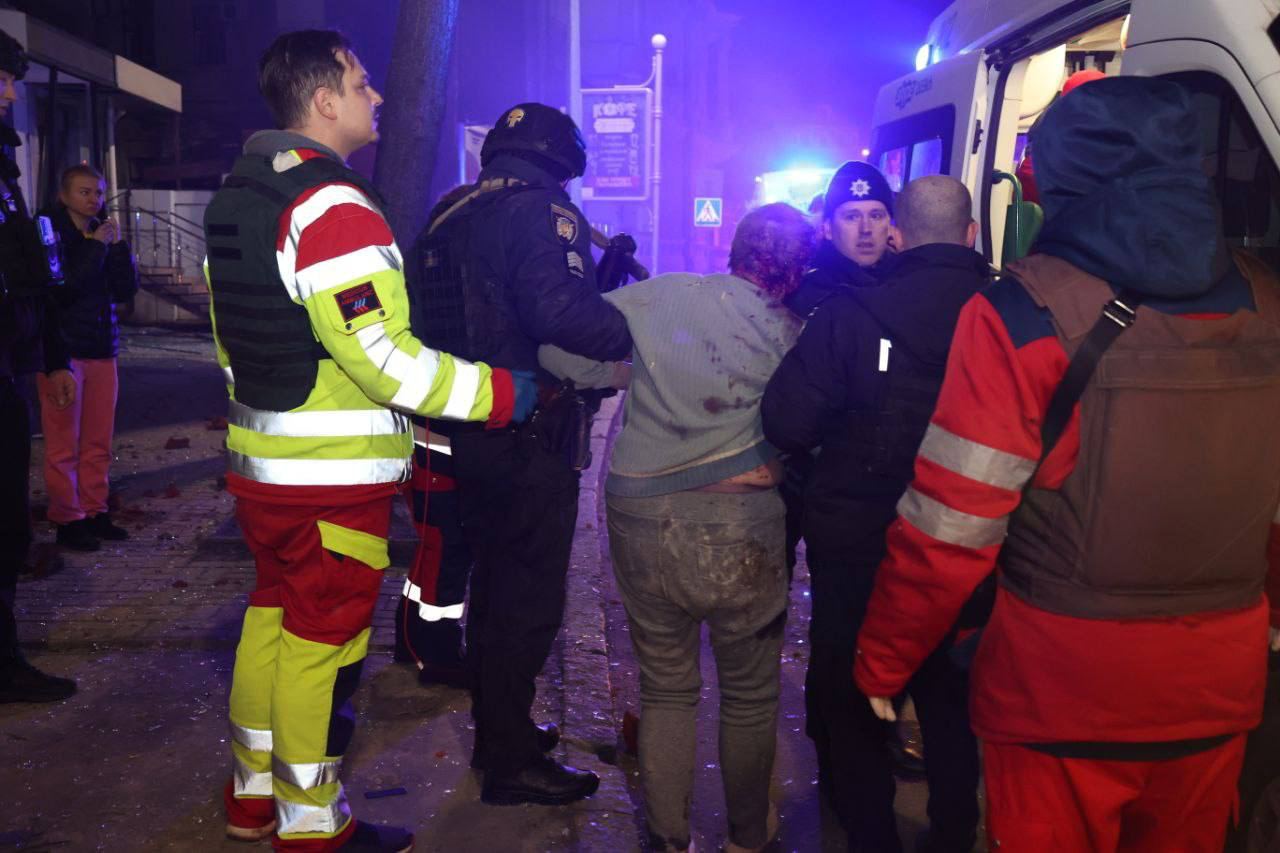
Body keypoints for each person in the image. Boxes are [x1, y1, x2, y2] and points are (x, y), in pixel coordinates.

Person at [855, 76, 1280, 852]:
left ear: (1056, 181)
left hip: (1059, 693)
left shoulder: (1020, 312)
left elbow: (950, 528)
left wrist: (885, 660)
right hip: (1218, 687)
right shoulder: (1267, 303)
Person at [206, 31, 534, 852]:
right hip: (329, 480)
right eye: (360, 83)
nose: (376, 96)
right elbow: (384, 359)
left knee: (271, 620)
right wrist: (502, 393)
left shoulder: (241, 195)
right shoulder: (332, 208)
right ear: (324, 101)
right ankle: (313, 822)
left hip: (262, 469)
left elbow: (230, 342)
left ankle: (253, 794)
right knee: (321, 643)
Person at [540, 202, 814, 852]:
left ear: (733, 252)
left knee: (665, 686)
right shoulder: (796, 331)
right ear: (798, 270)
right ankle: (747, 836)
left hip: (641, 513)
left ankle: (668, 838)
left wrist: (627, 372)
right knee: (749, 694)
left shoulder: (661, 294)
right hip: (740, 520)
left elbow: (557, 349)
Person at [406, 102, 632, 807]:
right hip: (530, 437)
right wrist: (634, 321)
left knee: (493, 593)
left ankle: (501, 732)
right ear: (562, 160)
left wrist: (596, 279)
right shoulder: (544, 210)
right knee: (525, 603)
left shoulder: (450, 216)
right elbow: (556, 313)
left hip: (470, 429)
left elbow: (493, 307)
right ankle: (508, 762)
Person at [762, 176, 988, 852]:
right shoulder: (1008, 314)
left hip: (860, 539)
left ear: (899, 233)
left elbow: (787, 422)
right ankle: (955, 830)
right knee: (953, 695)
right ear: (972, 234)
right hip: (968, 537)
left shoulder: (849, 315)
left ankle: (870, 833)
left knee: (856, 690)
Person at [0, 28, 77, 705]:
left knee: (8, 524)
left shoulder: (4, 168)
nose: (9, 93)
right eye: (0, 79)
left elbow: (28, 270)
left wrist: (50, 357)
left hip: (7, 367)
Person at [38, 164, 138, 552]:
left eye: (98, 192)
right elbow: (63, 289)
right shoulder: (49, 233)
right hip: (63, 353)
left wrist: (118, 247)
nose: (93, 199)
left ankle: (95, 511)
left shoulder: (100, 233)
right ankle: (68, 518)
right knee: (63, 444)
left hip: (102, 349)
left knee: (98, 442)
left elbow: (125, 289)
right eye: (84, 192)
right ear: (64, 196)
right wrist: (96, 246)